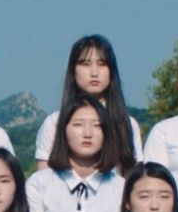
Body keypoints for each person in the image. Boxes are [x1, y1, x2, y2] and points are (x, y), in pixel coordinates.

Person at [24, 94, 128, 212]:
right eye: (78, 124)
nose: (88, 133)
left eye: (97, 125)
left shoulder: (121, 188)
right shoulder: (39, 184)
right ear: (63, 130)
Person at [32, 35, 143, 172]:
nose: (94, 73)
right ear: (73, 71)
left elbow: (133, 182)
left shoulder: (127, 124)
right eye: (85, 64)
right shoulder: (54, 123)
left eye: (102, 64)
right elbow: (44, 181)